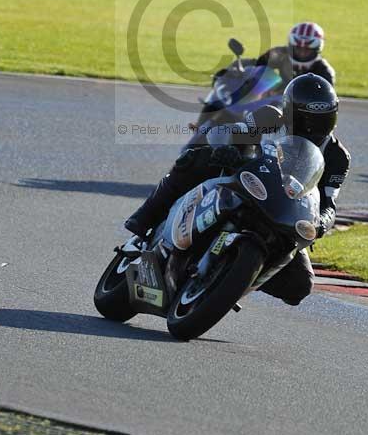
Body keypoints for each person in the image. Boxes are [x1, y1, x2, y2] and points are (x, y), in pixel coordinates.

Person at [125, 73, 351, 308]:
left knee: (299, 285)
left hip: (284, 213)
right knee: (196, 159)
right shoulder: (269, 117)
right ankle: (140, 231)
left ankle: (230, 277)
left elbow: (328, 203)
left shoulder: (338, 157)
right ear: (290, 109)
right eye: (306, 119)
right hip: (243, 183)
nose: (313, 127)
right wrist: (226, 149)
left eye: (322, 119)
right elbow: (230, 132)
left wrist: (321, 223)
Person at [256, 21, 335, 87]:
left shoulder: (325, 71)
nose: (302, 53)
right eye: (298, 48)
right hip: (275, 99)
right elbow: (256, 67)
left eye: (307, 50)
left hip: (302, 103)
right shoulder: (279, 54)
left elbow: (325, 101)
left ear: (316, 49)